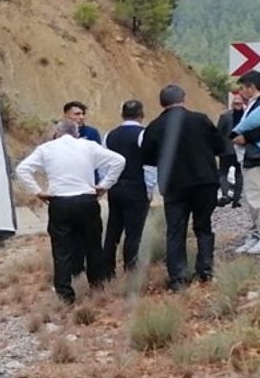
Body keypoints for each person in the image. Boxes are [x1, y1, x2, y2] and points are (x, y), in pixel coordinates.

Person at [15, 119, 126, 304]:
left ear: (57, 133)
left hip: (60, 202)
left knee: (61, 250)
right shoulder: (88, 146)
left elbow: (22, 169)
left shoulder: (46, 149)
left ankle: (65, 294)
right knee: (93, 246)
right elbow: (119, 160)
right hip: (86, 200)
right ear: (77, 132)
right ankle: (97, 287)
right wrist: (105, 185)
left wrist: (38, 191)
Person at [141, 84, 224, 290]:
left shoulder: (155, 126)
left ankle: (178, 278)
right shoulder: (200, 119)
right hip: (204, 181)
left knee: (175, 230)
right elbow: (220, 146)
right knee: (203, 226)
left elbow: (147, 157)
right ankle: (205, 271)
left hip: (174, 184)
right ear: (183, 98)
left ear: (162, 103)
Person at [102, 100, 157, 275]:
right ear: (142, 115)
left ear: (122, 114)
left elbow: (104, 164)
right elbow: (150, 165)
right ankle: (130, 270)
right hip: (136, 187)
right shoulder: (143, 134)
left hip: (116, 187)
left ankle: (107, 270)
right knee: (133, 233)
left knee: (113, 231)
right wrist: (149, 190)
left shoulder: (109, 135)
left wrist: (106, 183)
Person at [231, 72, 260, 253]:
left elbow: (243, 133)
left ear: (251, 87)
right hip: (250, 157)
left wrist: (247, 138)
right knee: (251, 198)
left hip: (256, 157)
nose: (241, 91)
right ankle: (255, 234)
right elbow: (236, 132)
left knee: (255, 197)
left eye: (243, 87)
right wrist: (236, 112)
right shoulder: (250, 106)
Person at [216, 91, 245, 208]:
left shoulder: (225, 116)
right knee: (239, 174)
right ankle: (236, 200)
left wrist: (217, 148)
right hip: (240, 151)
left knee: (223, 173)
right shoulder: (246, 116)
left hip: (226, 150)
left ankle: (226, 194)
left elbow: (218, 133)